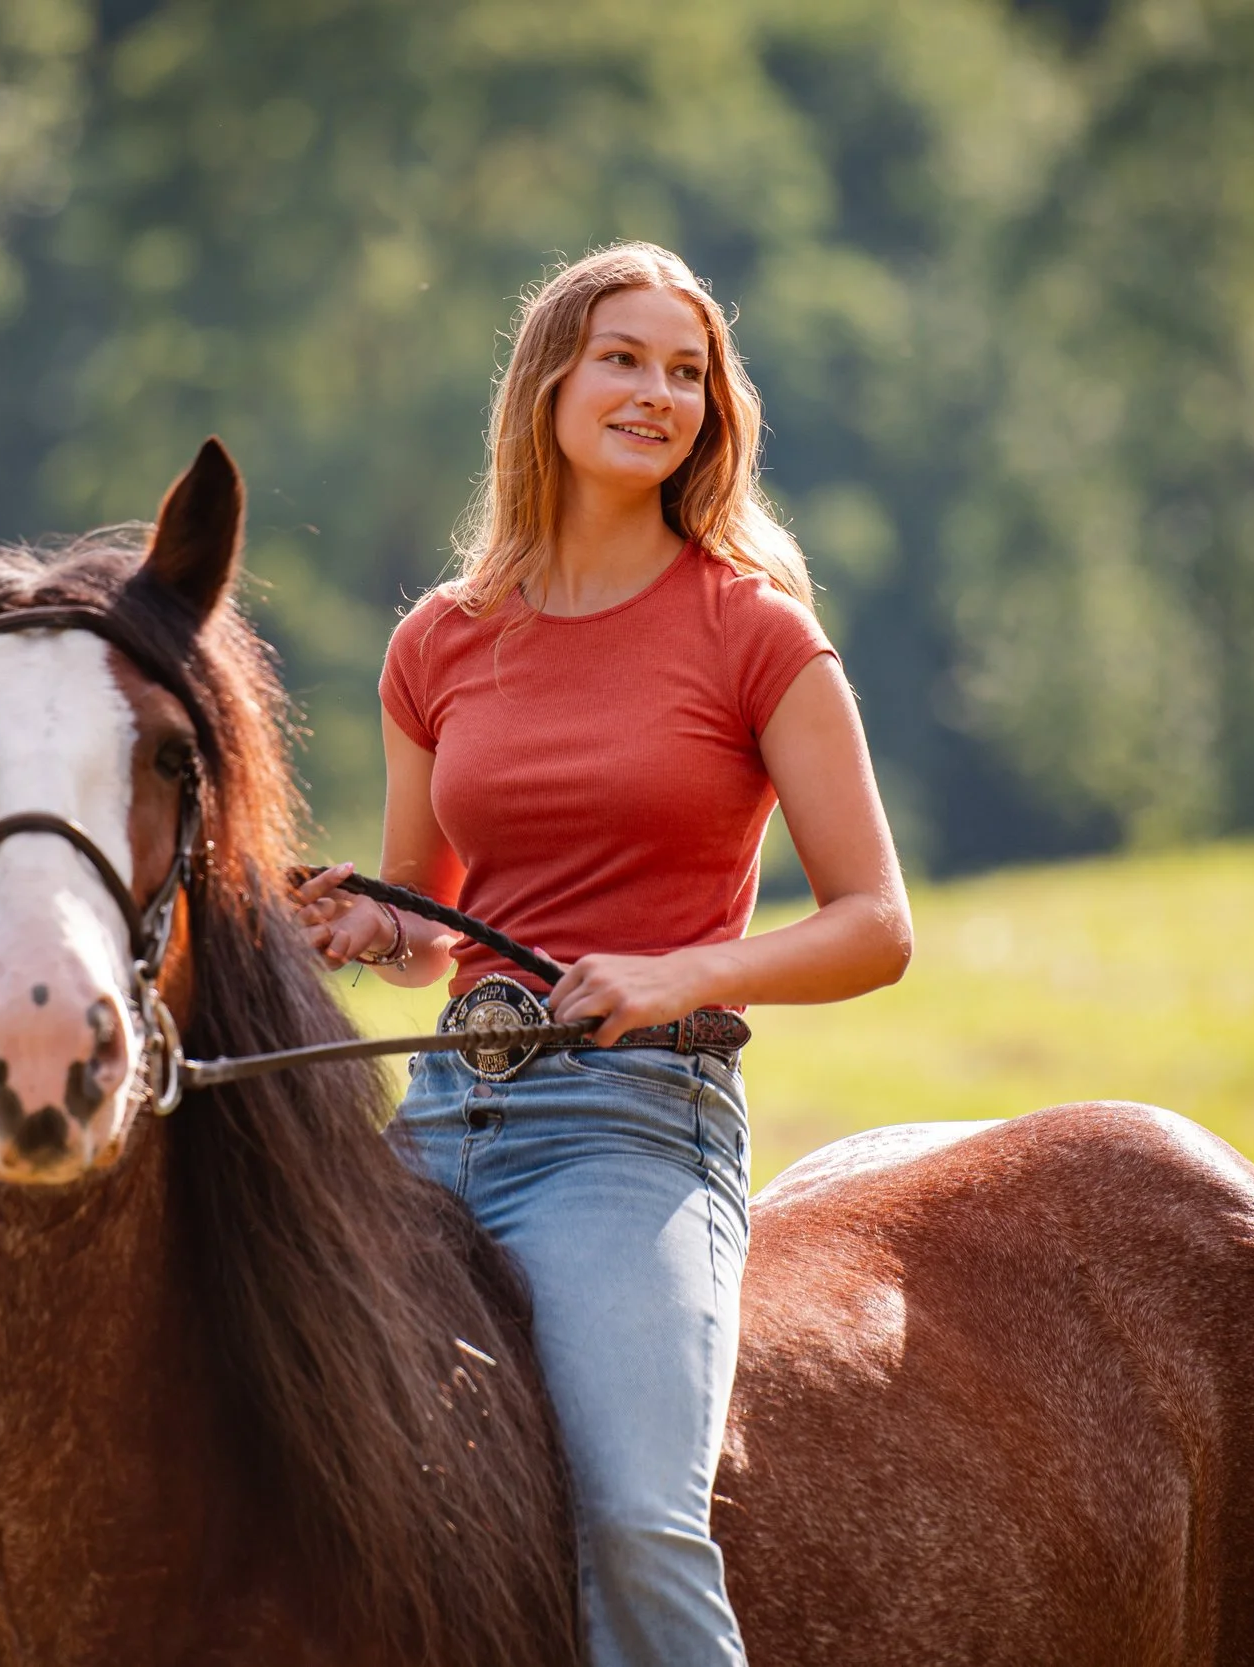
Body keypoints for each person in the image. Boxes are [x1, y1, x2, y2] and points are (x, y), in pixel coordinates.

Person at [292, 242, 913, 1667]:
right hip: (440, 1120)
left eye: (687, 371)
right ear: (550, 381)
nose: (658, 392)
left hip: (634, 1135)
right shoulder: (439, 643)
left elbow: (878, 924)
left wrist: (678, 972)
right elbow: (427, 915)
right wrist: (366, 921)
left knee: (634, 1520)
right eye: (624, 358)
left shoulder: (758, 634)